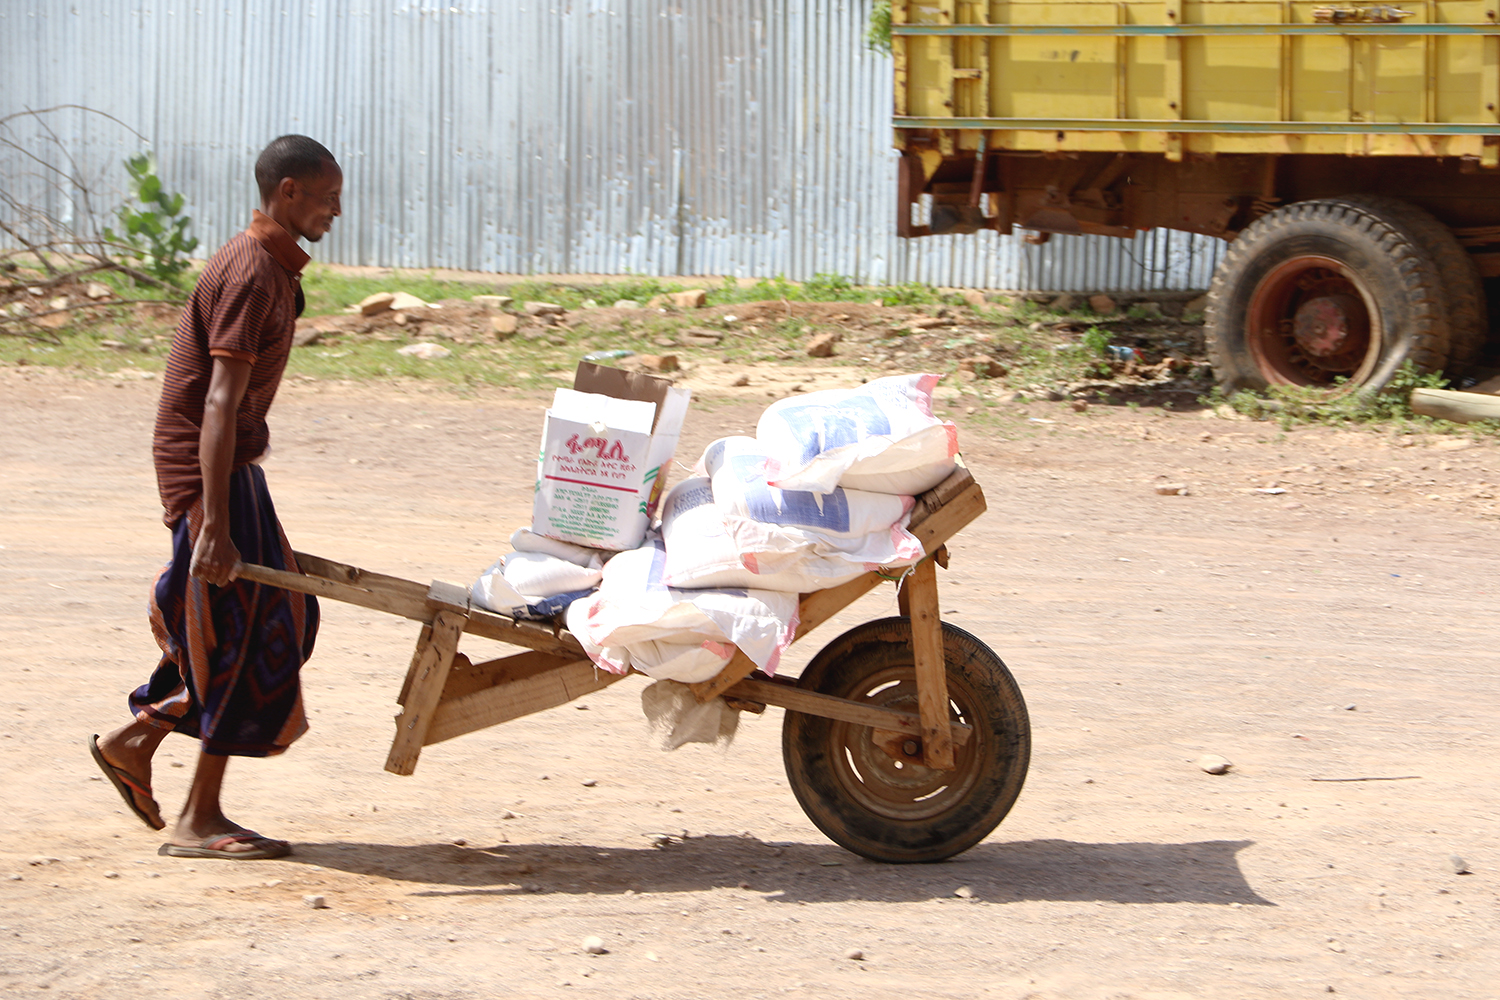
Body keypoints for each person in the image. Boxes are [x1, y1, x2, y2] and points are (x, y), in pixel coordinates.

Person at [89, 135, 342, 859]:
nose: (335, 212)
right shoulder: (253, 271)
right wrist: (215, 526)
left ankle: (136, 741)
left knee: (281, 614)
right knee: (239, 627)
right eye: (327, 198)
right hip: (209, 468)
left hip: (229, 465)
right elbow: (218, 405)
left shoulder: (271, 265)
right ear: (287, 192)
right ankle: (198, 816)